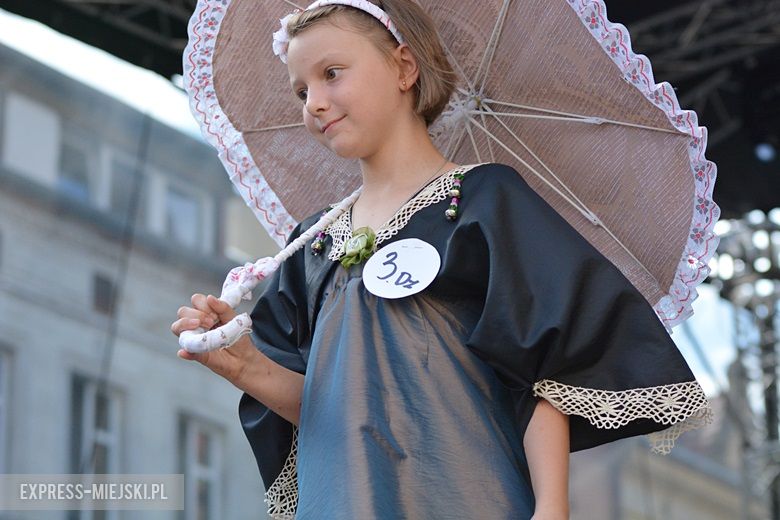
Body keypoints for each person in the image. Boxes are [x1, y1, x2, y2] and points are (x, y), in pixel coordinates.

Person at [170, 1, 711, 519]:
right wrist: (244, 365)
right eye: (300, 89)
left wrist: (551, 508)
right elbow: (323, 408)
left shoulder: (481, 201)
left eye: (332, 73)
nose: (313, 101)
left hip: (467, 495)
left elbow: (544, 369)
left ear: (404, 67)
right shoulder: (311, 243)